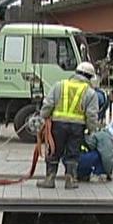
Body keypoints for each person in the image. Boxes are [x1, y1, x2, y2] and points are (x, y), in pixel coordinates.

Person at [37, 61, 99, 189]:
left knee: (54, 151)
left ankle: (49, 179)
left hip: (58, 125)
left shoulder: (60, 85)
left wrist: (43, 117)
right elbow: (92, 115)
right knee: (73, 153)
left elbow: (48, 104)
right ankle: (70, 180)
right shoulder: (90, 93)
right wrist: (91, 130)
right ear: (90, 77)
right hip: (77, 127)